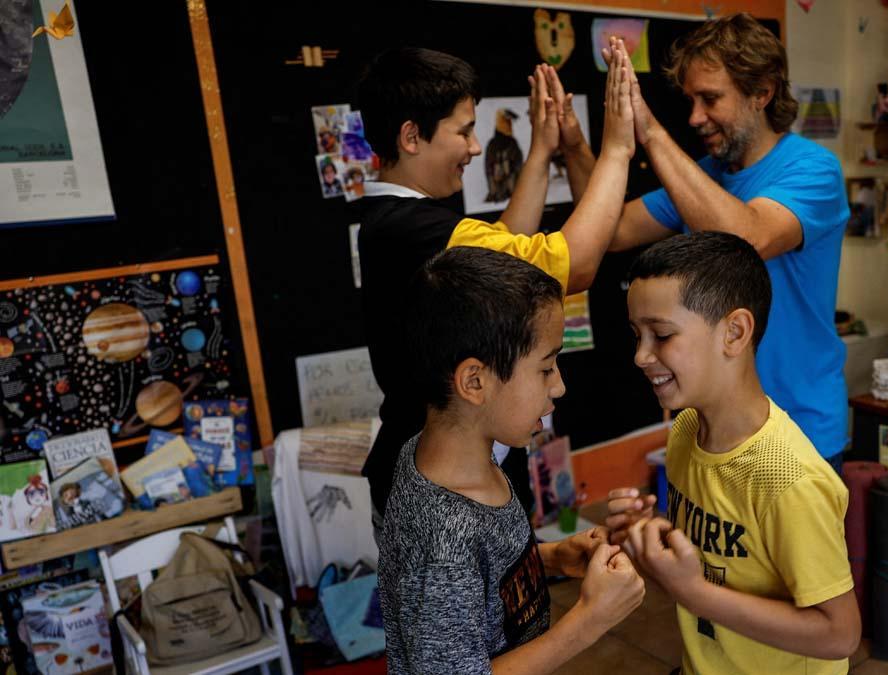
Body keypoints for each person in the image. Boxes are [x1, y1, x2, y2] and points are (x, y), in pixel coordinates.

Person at [354, 41, 636, 524]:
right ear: (411, 136)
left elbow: (508, 248)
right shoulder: (408, 229)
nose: (475, 146)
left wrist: (544, 150)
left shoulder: (403, 222)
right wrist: (617, 149)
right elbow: (574, 265)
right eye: (463, 131)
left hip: (455, 477)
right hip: (440, 496)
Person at [557, 14, 851, 471]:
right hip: (715, 427)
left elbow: (747, 237)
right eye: (691, 99)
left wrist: (650, 132)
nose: (695, 117)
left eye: (710, 99)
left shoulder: (814, 169)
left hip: (799, 427)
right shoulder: (706, 177)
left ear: (762, 93)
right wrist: (574, 147)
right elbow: (611, 230)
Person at [378, 247, 644, 674]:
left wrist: (551, 557)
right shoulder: (443, 542)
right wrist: (589, 619)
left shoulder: (454, 459)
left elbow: (483, 579)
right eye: (545, 367)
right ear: (475, 381)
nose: (558, 386)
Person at [608, 232, 860, 674]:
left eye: (661, 335)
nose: (641, 356)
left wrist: (696, 595)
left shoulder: (789, 480)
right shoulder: (686, 429)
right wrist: (650, 540)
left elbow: (839, 633)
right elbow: (718, 559)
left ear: (735, 332)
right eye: (637, 335)